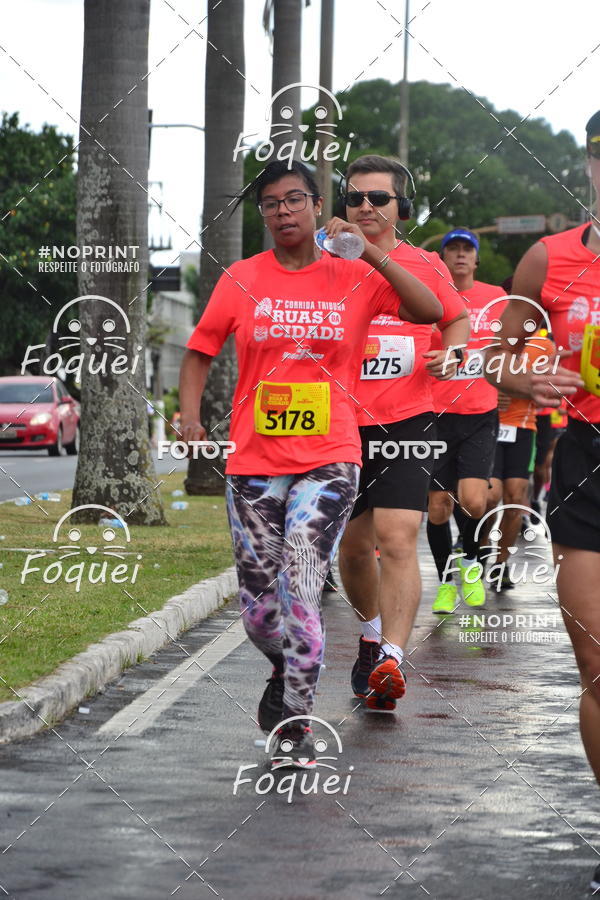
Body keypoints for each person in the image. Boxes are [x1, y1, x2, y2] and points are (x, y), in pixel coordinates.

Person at [179, 160, 442, 766]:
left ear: (318, 207)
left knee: (301, 582)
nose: (283, 212)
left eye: (294, 199)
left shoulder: (353, 275)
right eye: (270, 204)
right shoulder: (242, 278)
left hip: (330, 458)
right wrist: (190, 417)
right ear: (264, 215)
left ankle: (295, 724)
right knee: (260, 613)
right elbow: (199, 350)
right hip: (254, 461)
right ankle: (282, 673)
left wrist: (369, 254)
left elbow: (427, 310)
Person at [487, 111, 600, 894]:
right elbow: (491, 355)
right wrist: (525, 379)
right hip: (589, 461)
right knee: (595, 660)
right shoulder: (548, 260)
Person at [336, 155, 469, 709]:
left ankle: (392, 656)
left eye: (379, 199)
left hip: (407, 419)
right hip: (336, 420)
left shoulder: (425, 263)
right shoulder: (326, 261)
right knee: (351, 545)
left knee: (397, 539)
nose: (366, 207)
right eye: (355, 198)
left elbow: (453, 319)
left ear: (401, 208)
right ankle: (370, 633)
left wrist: (456, 352)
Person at [427, 228, 506, 614]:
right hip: (436, 416)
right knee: (438, 506)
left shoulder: (498, 298)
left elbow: (510, 347)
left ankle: (472, 564)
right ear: (442, 258)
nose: (459, 255)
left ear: (476, 260)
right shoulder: (428, 297)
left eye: (466, 250)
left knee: (474, 501)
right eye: (452, 249)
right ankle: (445, 583)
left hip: (480, 413)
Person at [482, 331, 554, 590]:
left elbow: (550, 389)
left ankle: (501, 565)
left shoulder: (544, 346)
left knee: (514, 500)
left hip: (523, 429)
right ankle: (482, 547)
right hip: (487, 426)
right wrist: (491, 391)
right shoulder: (493, 340)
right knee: (490, 497)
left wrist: (523, 391)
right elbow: (470, 377)